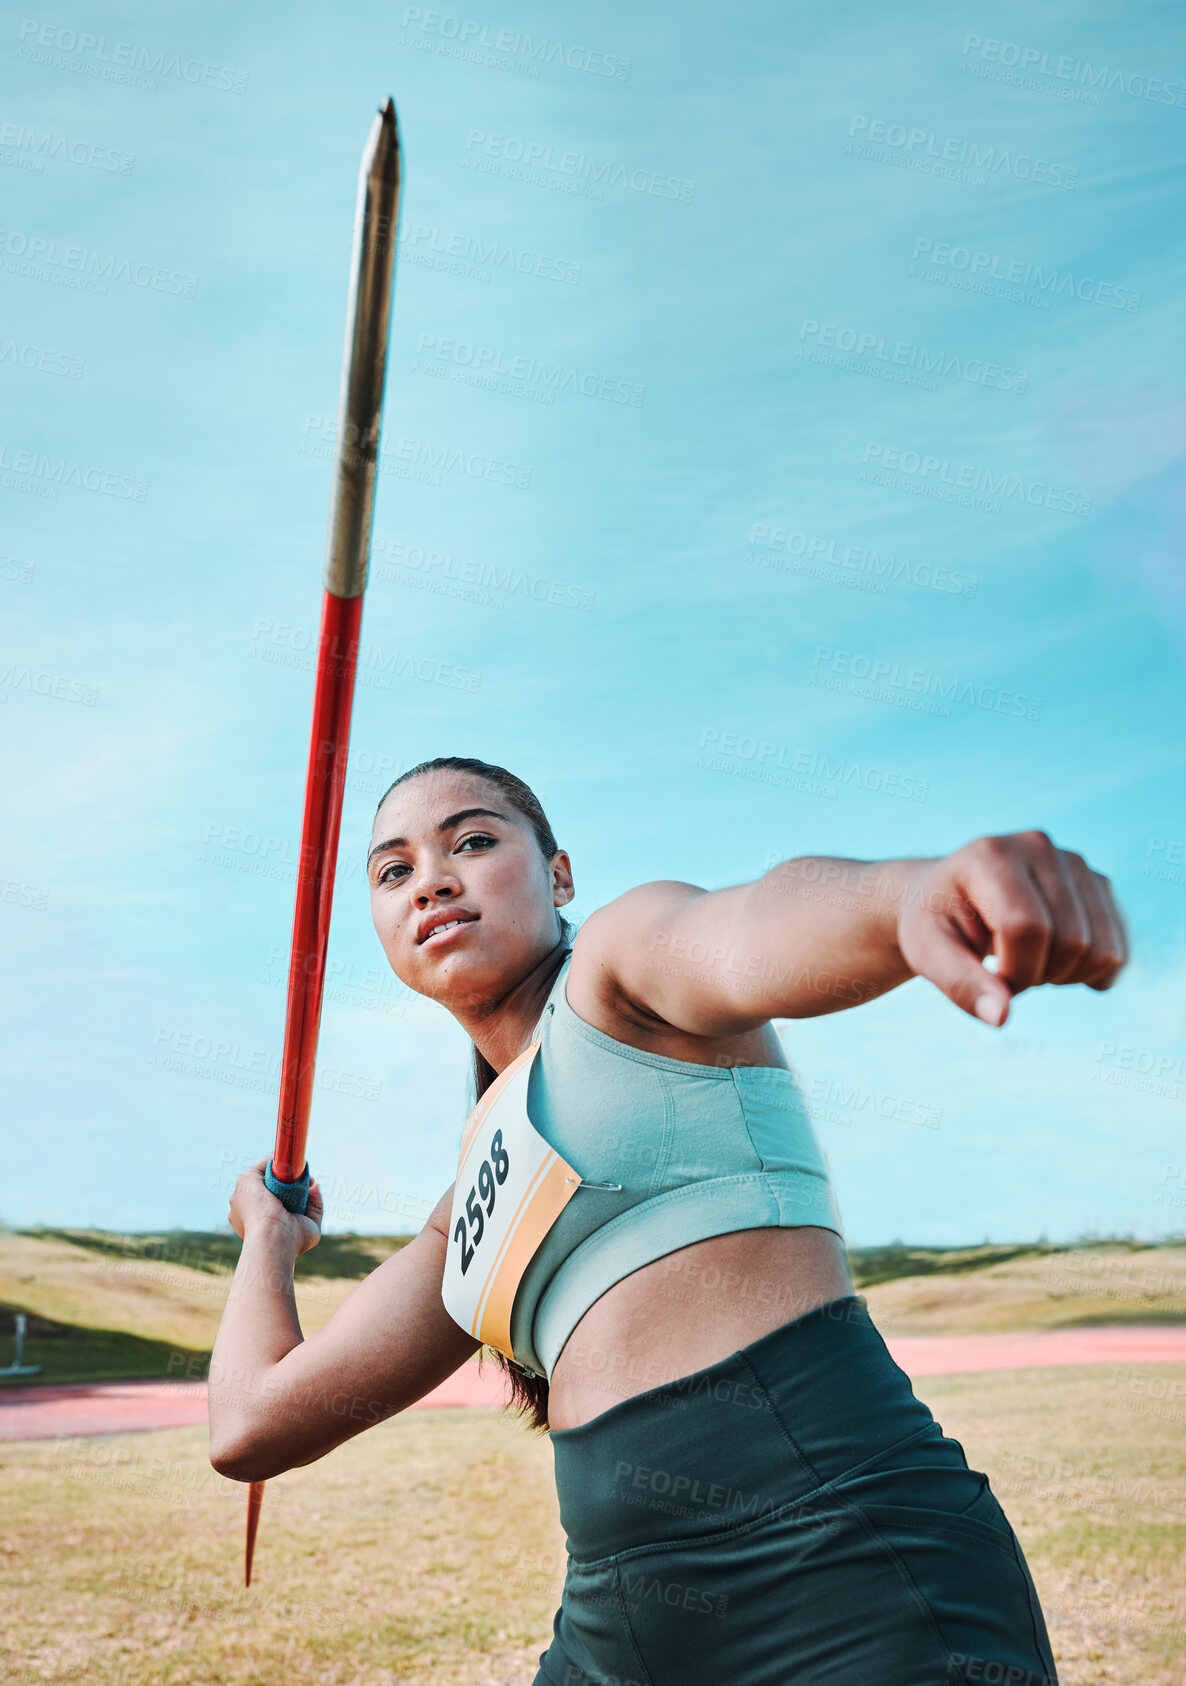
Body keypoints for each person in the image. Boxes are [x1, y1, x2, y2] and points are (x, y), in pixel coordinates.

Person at [209, 755, 1126, 1686]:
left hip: (834, 1574)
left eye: (474, 842)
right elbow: (250, 1425)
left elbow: (752, 921)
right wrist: (268, 1241)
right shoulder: (475, 1198)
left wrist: (911, 896)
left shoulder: (617, 971)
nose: (433, 880)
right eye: (393, 870)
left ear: (558, 874)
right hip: (615, 1627)